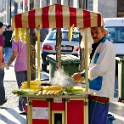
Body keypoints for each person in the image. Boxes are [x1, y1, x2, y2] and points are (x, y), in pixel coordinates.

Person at [72, 27, 116, 124]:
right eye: (92, 33)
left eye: (97, 32)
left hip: (101, 92)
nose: (94, 35)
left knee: (96, 121)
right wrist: (82, 73)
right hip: (95, 90)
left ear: (103, 33)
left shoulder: (106, 46)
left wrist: (83, 75)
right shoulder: (99, 45)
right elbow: (92, 66)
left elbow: (101, 68)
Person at [7, 36, 27, 111]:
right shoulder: (28, 38)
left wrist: (8, 63)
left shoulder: (15, 40)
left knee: (21, 88)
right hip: (28, 67)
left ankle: (22, 106)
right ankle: (24, 106)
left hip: (19, 67)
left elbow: (15, 54)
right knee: (28, 88)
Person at [0, 22, 7, 105]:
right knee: (0, 82)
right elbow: (0, 51)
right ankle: (1, 99)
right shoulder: (1, 37)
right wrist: (1, 63)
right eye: (2, 28)